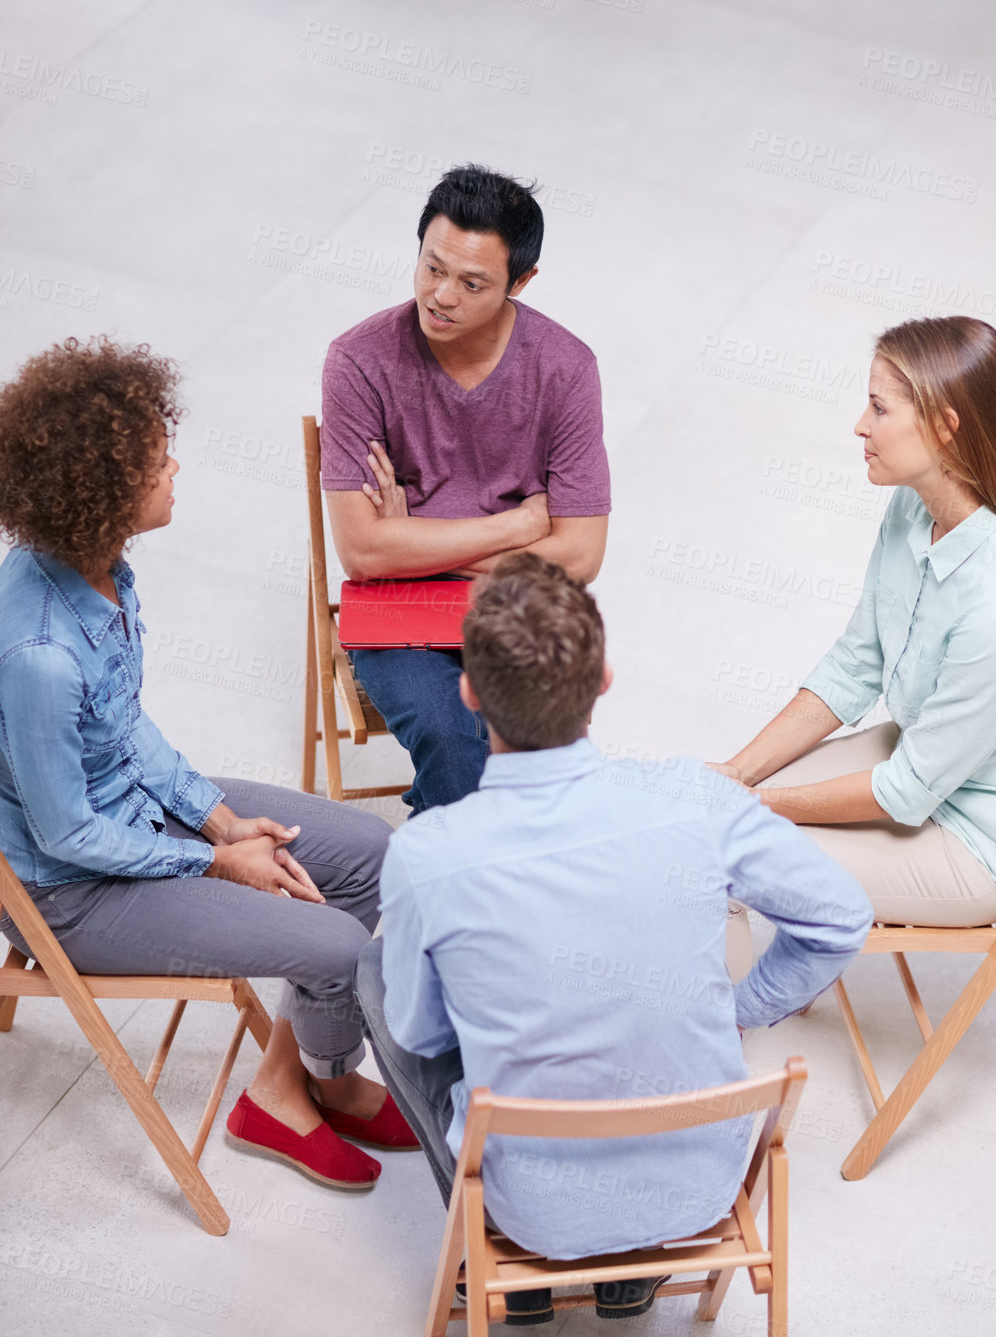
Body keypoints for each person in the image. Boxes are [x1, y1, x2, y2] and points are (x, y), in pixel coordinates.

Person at [355, 554, 871, 1325]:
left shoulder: (427, 855)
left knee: (378, 972)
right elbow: (840, 917)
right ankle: (632, 1269)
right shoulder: (695, 800)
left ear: (467, 694)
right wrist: (741, 1007)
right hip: (698, 1184)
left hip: (530, 1207)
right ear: (603, 681)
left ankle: (495, 1250)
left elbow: (423, 1034)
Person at [0, 337, 418, 1191]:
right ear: (105, 488)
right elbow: (66, 830)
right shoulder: (37, 651)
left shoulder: (99, 567)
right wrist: (216, 859)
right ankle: (316, 1087)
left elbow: (125, 726)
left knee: (372, 857)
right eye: (157, 461)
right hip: (72, 889)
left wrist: (219, 816)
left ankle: (291, 1083)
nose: (175, 467)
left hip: (134, 815)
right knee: (340, 948)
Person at [721, 315, 996, 929]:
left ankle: (722, 1014)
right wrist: (736, 774)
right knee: (721, 811)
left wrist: (761, 806)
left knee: (731, 848)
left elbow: (907, 794)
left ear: (944, 428)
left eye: (879, 408)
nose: (860, 425)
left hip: (984, 838)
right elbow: (857, 665)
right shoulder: (913, 507)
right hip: (929, 755)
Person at [320, 163, 611, 815]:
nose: (441, 295)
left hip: (516, 606)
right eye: (431, 267)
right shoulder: (359, 361)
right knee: (454, 737)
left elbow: (582, 558)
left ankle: (449, 857)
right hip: (398, 611)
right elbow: (365, 554)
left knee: (550, 752)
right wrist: (518, 525)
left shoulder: (565, 370)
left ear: (520, 282)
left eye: (472, 282)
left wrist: (413, 538)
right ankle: (474, 897)